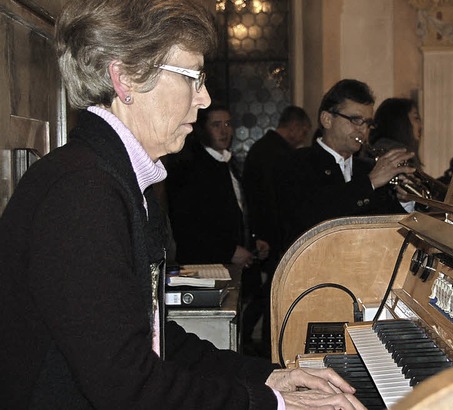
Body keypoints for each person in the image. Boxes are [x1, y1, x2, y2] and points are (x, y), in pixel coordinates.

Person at [0, 0, 365, 408]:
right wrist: (273, 404)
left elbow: (156, 341)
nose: (205, 98)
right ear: (125, 79)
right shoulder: (82, 193)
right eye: (192, 77)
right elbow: (126, 386)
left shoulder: (115, 180)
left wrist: (270, 376)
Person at [276, 79, 416, 248]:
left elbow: (388, 227)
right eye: (356, 120)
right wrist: (369, 182)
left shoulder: (367, 168)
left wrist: (405, 200)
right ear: (327, 119)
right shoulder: (296, 162)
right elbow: (310, 216)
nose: (363, 129)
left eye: (368, 123)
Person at [242, 105, 312, 357]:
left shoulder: (264, 148)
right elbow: (272, 201)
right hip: (271, 235)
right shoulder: (276, 153)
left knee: (266, 290)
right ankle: (256, 339)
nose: (303, 137)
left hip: (265, 233)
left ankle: (249, 334)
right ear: (293, 127)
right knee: (269, 291)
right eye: (303, 131)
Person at [164, 104, 260, 268]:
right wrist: (228, 251)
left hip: (237, 263)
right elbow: (186, 225)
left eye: (228, 124)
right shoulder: (188, 167)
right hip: (205, 267)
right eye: (216, 125)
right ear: (202, 129)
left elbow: (238, 210)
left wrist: (253, 241)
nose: (224, 131)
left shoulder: (228, 161)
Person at [368, 97, 448, 202]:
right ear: (400, 121)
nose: (421, 125)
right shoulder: (399, 153)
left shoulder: (379, 147)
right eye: (416, 118)